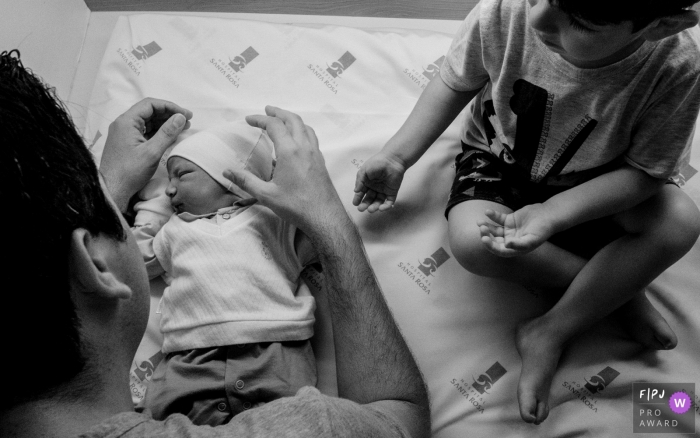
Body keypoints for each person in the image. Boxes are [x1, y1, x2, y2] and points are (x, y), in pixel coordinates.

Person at [0, 49, 430, 438]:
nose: (164, 195)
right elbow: (397, 416)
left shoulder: (265, 222)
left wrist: (106, 195)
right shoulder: (311, 429)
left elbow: (305, 252)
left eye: (180, 177)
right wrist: (327, 215)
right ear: (94, 261)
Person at [352, 0, 700, 425]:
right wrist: (397, 156)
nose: (536, 20)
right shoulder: (505, 10)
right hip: (497, 161)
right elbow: (456, 80)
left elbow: (645, 173)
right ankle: (613, 291)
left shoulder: (676, 68)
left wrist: (555, 213)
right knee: (472, 243)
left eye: (580, 20)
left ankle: (550, 330)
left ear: (663, 25)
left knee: (679, 221)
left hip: (600, 183)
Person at [135, 121, 320, 425]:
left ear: (233, 179)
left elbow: (323, 238)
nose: (169, 189)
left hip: (276, 350)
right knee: (161, 421)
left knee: (295, 424)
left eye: (182, 174)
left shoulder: (274, 221)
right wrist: (155, 207)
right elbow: (139, 260)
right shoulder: (175, 231)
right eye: (168, 180)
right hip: (189, 358)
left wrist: (283, 187)